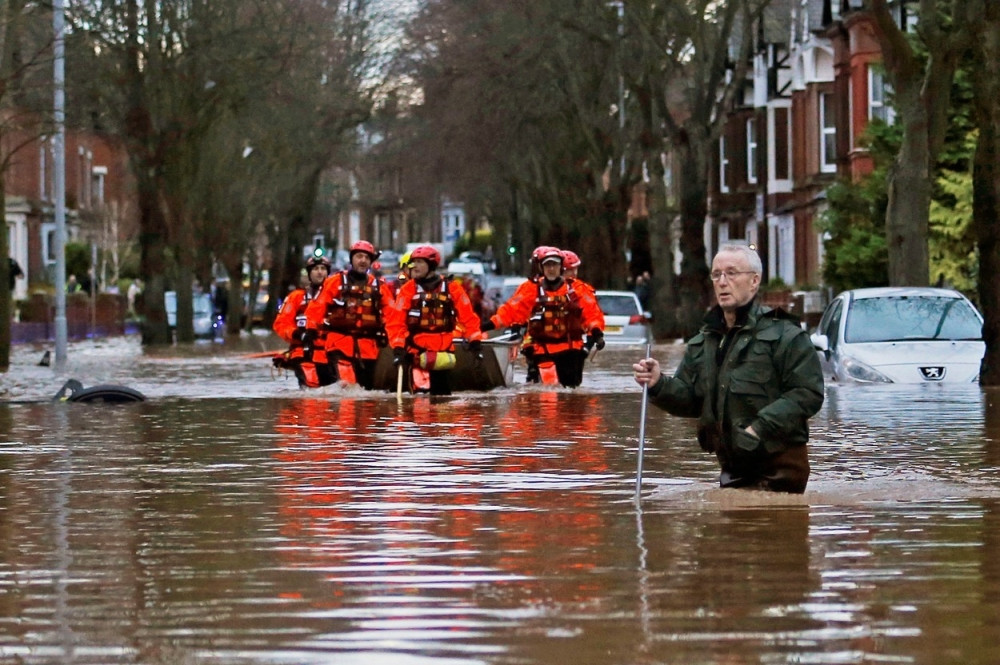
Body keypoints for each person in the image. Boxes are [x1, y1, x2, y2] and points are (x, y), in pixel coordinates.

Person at [631, 243, 824, 493]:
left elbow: (807, 393)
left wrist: (757, 429)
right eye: (716, 274)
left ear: (754, 281)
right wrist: (659, 384)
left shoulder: (785, 335)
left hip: (780, 471)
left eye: (731, 273)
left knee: (767, 516)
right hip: (733, 469)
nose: (722, 282)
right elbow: (691, 400)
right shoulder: (705, 340)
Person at [482, 245, 604, 388]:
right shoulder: (530, 289)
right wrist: (487, 326)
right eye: (547, 265)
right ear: (542, 268)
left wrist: (596, 333)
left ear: (561, 267)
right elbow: (511, 311)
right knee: (545, 391)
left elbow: (592, 314)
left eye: (555, 265)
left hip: (571, 351)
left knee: (571, 391)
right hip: (541, 350)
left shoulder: (578, 290)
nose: (551, 269)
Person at [385, 245, 484, 395]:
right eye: (414, 262)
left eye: (420, 262)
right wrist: (398, 348)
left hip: (442, 352)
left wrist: (475, 342)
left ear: (431, 265)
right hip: (415, 351)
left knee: (442, 398)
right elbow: (396, 322)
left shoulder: (452, 288)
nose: (415, 266)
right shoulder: (408, 290)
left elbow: (468, 317)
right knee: (414, 397)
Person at [304, 240, 394, 389]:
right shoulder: (334, 282)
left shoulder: (379, 287)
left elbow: (393, 316)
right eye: (359, 256)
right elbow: (316, 308)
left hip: (369, 348)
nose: (363, 260)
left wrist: (395, 340)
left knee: (367, 391)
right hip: (339, 343)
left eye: (367, 258)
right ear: (352, 259)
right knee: (348, 389)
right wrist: (310, 330)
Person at [272, 254, 334, 389]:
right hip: (304, 352)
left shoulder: (337, 297)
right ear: (309, 273)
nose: (320, 272)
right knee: (311, 390)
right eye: (316, 269)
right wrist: (298, 334)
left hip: (331, 353)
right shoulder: (296, 297)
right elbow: (281, 324)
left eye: (323, 269)